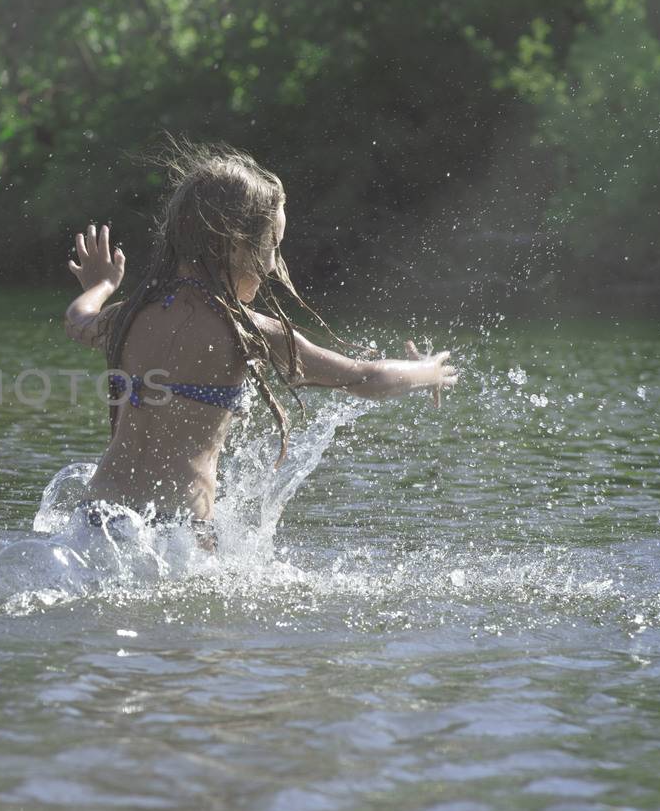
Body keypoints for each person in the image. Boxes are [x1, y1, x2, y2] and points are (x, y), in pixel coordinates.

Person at [63, 142, 457, 543]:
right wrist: (429, 371)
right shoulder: (246, 330)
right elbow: (365, 378)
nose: (272, 264)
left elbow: (78, 322)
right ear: (233, 243)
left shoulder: (131, 315)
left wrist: (101, 286)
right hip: (178, 532)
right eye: (273, 245)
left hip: (97, 517)